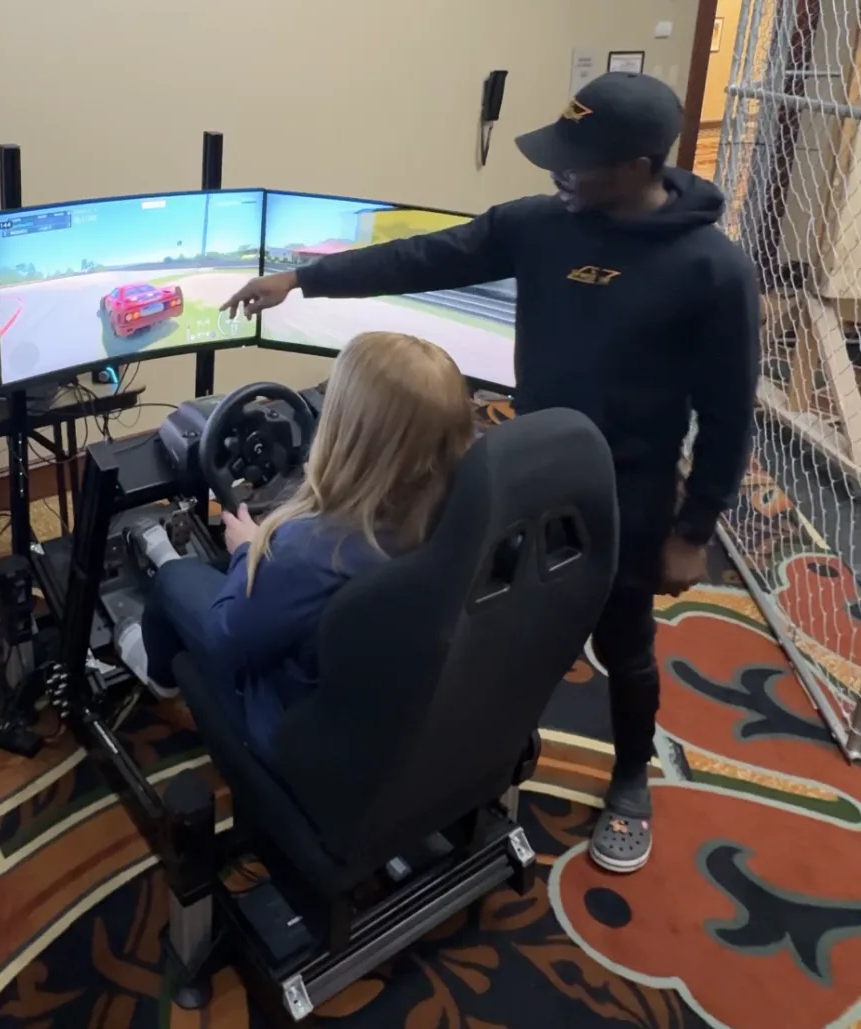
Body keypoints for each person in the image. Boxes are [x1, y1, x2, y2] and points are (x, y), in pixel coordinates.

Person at [222, 72, 761, 873]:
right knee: (495, 627)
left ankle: (628, 778)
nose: (558, 172)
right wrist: (302, 277)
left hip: (628, 497)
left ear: (645, 164)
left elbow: (728, 414)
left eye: (579, 160)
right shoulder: (540, 225)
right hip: (518, 476)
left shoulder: (713, 269)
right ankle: (468, 757)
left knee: (626, 644)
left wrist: (694, 531)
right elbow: (424, 257)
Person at [115, 331, 475, 762]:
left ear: (347, 431)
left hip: (294, 738)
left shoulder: (307, 551)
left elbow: (229, 641)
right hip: (399, 715)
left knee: (176, 579)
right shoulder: (466, 514)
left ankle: (159, 677)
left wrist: (250, 550)